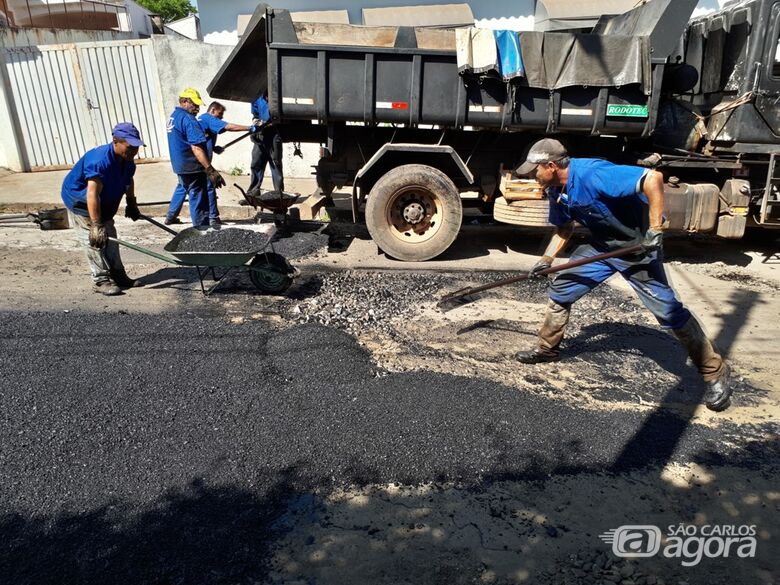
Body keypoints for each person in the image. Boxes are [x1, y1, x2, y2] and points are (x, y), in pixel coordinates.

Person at [514, 138, 733, 411]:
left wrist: (655, 229)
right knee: (561, 291)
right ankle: (547, 350)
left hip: (636, 248)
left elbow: (653, 178)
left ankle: (715, 373)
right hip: (602, 247)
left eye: (535, 171)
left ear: (550, 165)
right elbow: (564, 228)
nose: (533, 177)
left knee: (668, 312)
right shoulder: (555, 189)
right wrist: (546, 259)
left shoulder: (595, 174)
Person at [61, 122, 144, 296]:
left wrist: (132, 203)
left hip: (105, 202)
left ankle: (118, 274)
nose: (134, 151)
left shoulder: (128, 161)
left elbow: (128, 181)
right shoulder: (99, 161)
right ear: (115, 141)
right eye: (130, 147)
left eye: (136, 147)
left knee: (111, 237)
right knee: (95, 240)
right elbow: (92, 194)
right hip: (82, 201)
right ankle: (101, 280)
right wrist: (96, 224)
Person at [164, 101, 257, 226]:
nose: (221, 117)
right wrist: (250, 128)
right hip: (199, 164)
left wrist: (213, 147)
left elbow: (200, 139)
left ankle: (170, 216)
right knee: (208, 187)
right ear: (212, 110)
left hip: (184, 164)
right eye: (219, 114)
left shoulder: (198, 119)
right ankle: (212, 219)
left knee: (182, 187)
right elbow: (228, 127)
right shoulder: (208, 118)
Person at [166, 87, 226, 227]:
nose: (197, 108)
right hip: (192, 166)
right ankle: (201, 231)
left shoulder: (174, 116)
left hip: (180, 165)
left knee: (182, 187)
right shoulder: (189, 119)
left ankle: (170, 216)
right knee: (199, 199)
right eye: (195, 104)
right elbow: (196, 147)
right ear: (185, 101)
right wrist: (210, 170)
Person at [248, 92, 284, 195]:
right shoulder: (257, 97)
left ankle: (278, 193)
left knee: (275, 163)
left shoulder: (279, 97)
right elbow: (255, 114)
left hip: (274, 133)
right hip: (261, 133)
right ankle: (253, 191)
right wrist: (255, 126)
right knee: (256, 162)